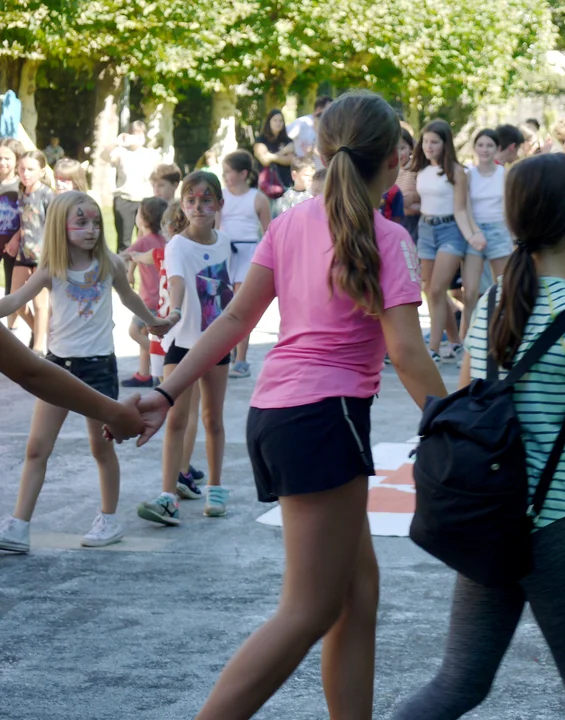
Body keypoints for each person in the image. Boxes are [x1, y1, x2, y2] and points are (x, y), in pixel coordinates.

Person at [132, 90, 444, 720]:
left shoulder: (292, 222)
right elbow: (407, 353)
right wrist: (459, 423)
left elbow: (234, 319)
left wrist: (168, 390)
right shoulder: (387, 238)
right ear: (394, 159)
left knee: (358, 592)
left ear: (324, 153)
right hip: (325, 420)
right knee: (309, 609)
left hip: (279, 415)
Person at [391, 152, 565, 720]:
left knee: (459, 683)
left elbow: (469, 405)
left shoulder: (492, 302)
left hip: (490, 520)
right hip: (550, 526)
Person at [0, 191, 168, 553]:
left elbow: (130, 298)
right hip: (57, 368)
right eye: (81, 222)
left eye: (95, 222)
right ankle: (18, 526)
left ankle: (109, 519)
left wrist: (154, 322)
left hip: (98, 368)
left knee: (101, 448)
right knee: (37, 448)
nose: (91, 229)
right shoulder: (51, 269)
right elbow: (15, 300)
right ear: (61, 226)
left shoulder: (109, 264)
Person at [136, 170, 235, 524]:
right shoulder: (177, 244)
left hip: (217, 342)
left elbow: (228, 291)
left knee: (212, 418)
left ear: (219, 204)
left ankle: (216, 490)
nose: (198, 207)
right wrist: (174, 313)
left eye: (206, 200)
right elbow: (176, 282)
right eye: (191, 200)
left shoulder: (225, 242)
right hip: (181, 342)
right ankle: (168, 496)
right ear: (182, 204)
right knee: (176, 417)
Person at [0, 322, 143, 441]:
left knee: (101, 447)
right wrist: (117, 414)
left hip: (97, 361)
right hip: (61, 357)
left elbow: (31, 373)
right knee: (36, 449)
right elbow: (31, 374)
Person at [412, 119, 481, 363]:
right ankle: (455, 341)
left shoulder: (457, 171)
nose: (428, 147)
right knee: (430, 291)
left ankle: (433, 348)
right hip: (425, 229)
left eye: (434, 142)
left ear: (445, 144)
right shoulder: (420, 169)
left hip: (450, 230)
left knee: (437, 290)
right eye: (425, 142)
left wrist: (472, 235)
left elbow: (461, 209)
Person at [219, 150, 271, 379]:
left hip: (248, 254)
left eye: (229, 172)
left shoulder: (258, 198)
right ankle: (225, 352)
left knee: (241, 306)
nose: (225, 176)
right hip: (224, 253)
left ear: (243, 174)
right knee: (223, 305)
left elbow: (269, 233)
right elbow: (214, 227)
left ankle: (241, 360)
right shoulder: (220, 197)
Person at [461, 128, 512, 336]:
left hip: (499, 230)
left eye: (489, 145)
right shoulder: (468, 175)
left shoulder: (504, 173)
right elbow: (465, 208)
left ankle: (503, 335)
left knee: (504, 288)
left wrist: (511, 234)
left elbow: (508, 207)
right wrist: (474, 233)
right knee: (470, 292)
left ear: (497, 149)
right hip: (475, 233)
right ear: (475, 148)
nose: (485, 150)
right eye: (481, 145)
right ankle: (466, 340)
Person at [121, 197, 169, 387]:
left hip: (149, 300)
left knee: (134, 332)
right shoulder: (164, 240)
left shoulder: (143, 241)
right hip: (162, 297)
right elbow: (135, 258)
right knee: (145, 331)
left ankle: (163, 354)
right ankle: (144, 373)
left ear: (142, 219)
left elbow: (127, 255)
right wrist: (130, 273)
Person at [11, 150, 53, 353]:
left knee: (40, 303)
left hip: (43, 256)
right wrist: (15, 238)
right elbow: (25, 221)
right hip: (23, 253)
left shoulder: (47, 194)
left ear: (42, 171)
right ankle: (39, 331)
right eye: (22, 169)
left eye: (30, 169)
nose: (25, 173)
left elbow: (53, 226)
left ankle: (38, 348)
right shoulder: (22, 192)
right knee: (15, 301)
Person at [109, 121, 160, 251]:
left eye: (141, 134)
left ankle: (145, 264)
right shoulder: (120, 152)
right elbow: (104, 156)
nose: (137, 138)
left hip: (146, 200)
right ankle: (123, 264)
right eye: (134, 134)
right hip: (124, 199)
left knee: (148, 240)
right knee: (124, 242)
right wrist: (118, 141)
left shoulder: (151, 154)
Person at [1, 138, 24, 304]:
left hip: (14, 243)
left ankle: (10, 319)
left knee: (11, 288)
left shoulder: (22, 184)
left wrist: (16, 239)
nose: (2, 162)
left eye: (7, 158)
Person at [253, 109, 295, 201]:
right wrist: (284, 151)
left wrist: (270, 156)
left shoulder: (287, 141)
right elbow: (264, 160)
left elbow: (290, 160)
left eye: (280, 121)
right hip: (266, 186)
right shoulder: (261, 140)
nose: (278, 123)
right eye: (275, 120)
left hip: (286, 185)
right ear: (269, 122)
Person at [286, 95, 333, 169]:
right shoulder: (302, 123)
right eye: (329, 109)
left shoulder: (331, 127)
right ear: (318, 109)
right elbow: (285, 137)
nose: (331, 112)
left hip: (323, 170)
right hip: (304, 170)